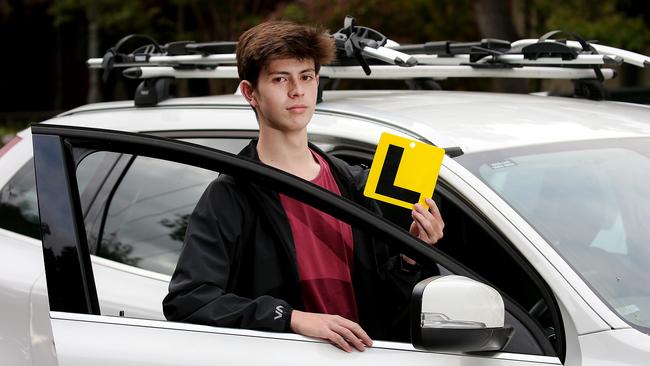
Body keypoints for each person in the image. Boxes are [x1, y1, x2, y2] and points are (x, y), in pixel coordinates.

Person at [162, 20, 444, 353]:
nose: (297, 91)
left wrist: (411, 255)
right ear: (249, 92)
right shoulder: (231, 195)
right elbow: (188, 301)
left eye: (306, 77)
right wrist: (292, 318)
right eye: (280, 78)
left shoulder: (354, 184)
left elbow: (389, 308)